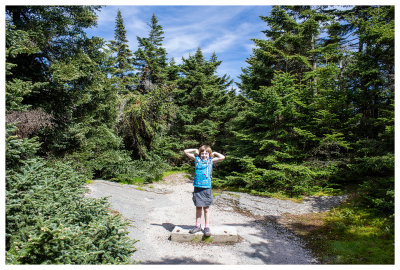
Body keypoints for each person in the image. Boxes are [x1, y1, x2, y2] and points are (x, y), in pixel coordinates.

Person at [184, 145, 225, 236]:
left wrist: (214, 153)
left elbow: (222, 157)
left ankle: (207, 227)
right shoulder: (197, 159)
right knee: (198, 207)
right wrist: (195, 150)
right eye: (202, 153)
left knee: (206, 209)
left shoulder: (210, 161)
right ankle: (197, 225)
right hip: (198, 187)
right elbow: (185, 151)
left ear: (209, 154)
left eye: (206, 153)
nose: (204, 155)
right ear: (200, 153)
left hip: (206, 188)